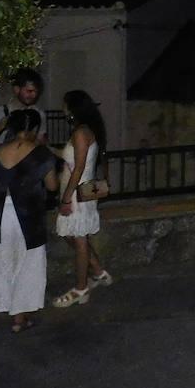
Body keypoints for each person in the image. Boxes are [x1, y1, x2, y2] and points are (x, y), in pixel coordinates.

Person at [0, 109, 57, 334]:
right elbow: (52, 186)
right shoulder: (41, 154)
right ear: (33, 129)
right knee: (27, 264)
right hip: (28, 218)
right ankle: (18, 318)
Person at [50, 90, 113, 308]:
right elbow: (71, 157)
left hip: (77, 193)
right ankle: (97, 272)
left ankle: (80, 287)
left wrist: (66, 198)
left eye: (65, 105)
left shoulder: (81, 132)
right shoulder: (85, 131)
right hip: (78, 192)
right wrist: (48, 148)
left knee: (77, 239)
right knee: (74, 237)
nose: (62, 108)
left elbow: (77, 167)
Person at [0, 68, 47, 158]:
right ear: (16, 89)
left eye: (36, 92)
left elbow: (42, 144)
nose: (33, 95)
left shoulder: (38, 114)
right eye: (29, 91)